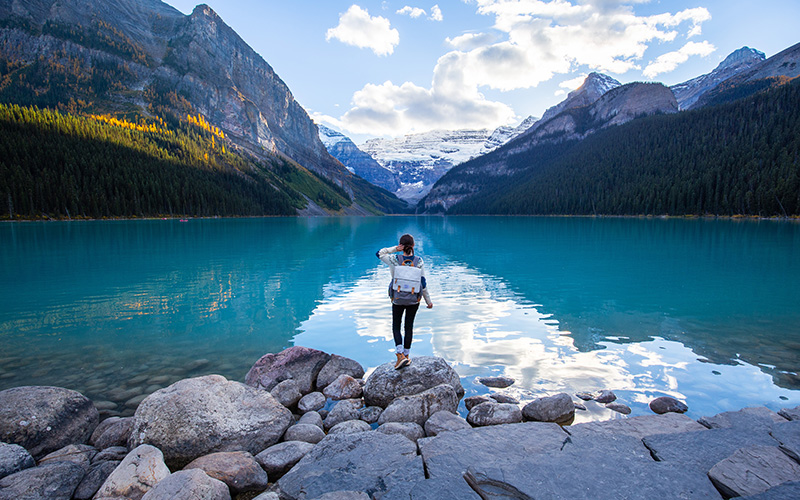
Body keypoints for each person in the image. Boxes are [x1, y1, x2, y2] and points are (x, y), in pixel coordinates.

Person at [377, 234, 433, 369]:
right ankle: (407, 356)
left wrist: (395, 249)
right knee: (409, 326)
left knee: (396, 326)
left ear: (401, 245)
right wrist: (428, 301)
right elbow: (423, 282)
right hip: (414, 299)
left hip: (397, 298)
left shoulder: (394, 259)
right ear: (413, 245)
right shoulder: (419, 261)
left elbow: (379, 253)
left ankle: (399, 355)